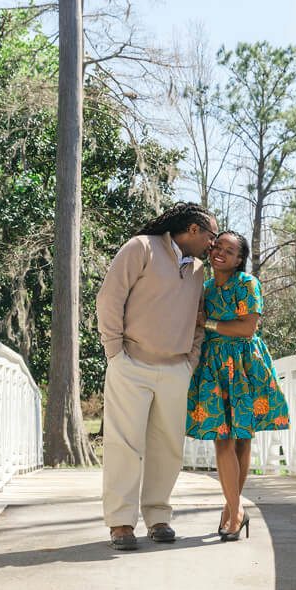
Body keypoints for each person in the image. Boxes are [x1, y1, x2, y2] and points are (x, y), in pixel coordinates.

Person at [96, 202, 218, 551]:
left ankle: (158, 516)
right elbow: (110, 298)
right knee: (124, 445)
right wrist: (114, 351)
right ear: (193, 230)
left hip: (176, 369)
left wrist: (190, 359)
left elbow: (198, 318)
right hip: (131, 363)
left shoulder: (197, 270)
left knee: (168, 448)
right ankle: (121, 523)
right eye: (211, 234)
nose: (213, 243)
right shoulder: (141, 247)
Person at [185, 231, 290, 542]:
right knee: (223, 439)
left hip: (245, 364)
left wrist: (209, 324)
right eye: (218, 247)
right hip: (214, 364)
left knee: (242, 438)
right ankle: (236, 509)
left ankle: (232, 511)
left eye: (229, 251)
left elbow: (247, 328)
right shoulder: (203, 288)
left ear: (239, 259)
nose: (220, 253)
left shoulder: (247, 284)